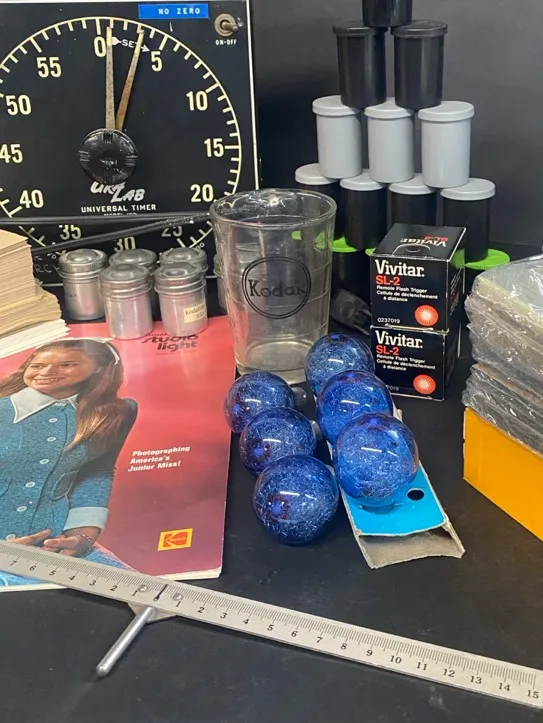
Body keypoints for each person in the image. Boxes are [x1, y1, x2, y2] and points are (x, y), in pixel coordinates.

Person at [0, 338, 137, 587]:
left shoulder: (115, 413)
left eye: (67, 364)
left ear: (99, 368)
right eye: (37, 365)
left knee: (149, 596)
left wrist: (83, 535)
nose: (47, 372)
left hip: (56, 548)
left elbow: (97, 473)